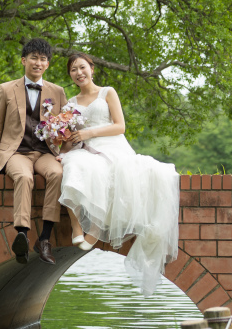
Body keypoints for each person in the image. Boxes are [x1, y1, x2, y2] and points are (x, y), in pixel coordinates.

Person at [57, 52, 179, 296]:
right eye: (73, 70)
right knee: (70, 167)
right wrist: (61, 149)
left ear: (92, 69)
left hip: (111, 144)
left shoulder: (108, 92)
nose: (78, 73)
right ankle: (76, 227)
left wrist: (89, 134)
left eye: (82, 67)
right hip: (84, 150)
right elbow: (70, 136)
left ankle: (95, 229)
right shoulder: (70, 103)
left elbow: (120, 126)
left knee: (105, 171)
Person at [0, 38, 68, 265]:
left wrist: (66, 154)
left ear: (48, 64)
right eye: (33, 58)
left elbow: (65, 128)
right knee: (23, 176)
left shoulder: (58, 92)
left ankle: (44, 239)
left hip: (45, 153)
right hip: (16, 153)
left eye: (43, 59)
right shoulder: (6, 89)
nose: (38, 63)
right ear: (24, 60)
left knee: (58, 174)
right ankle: (21, 233)